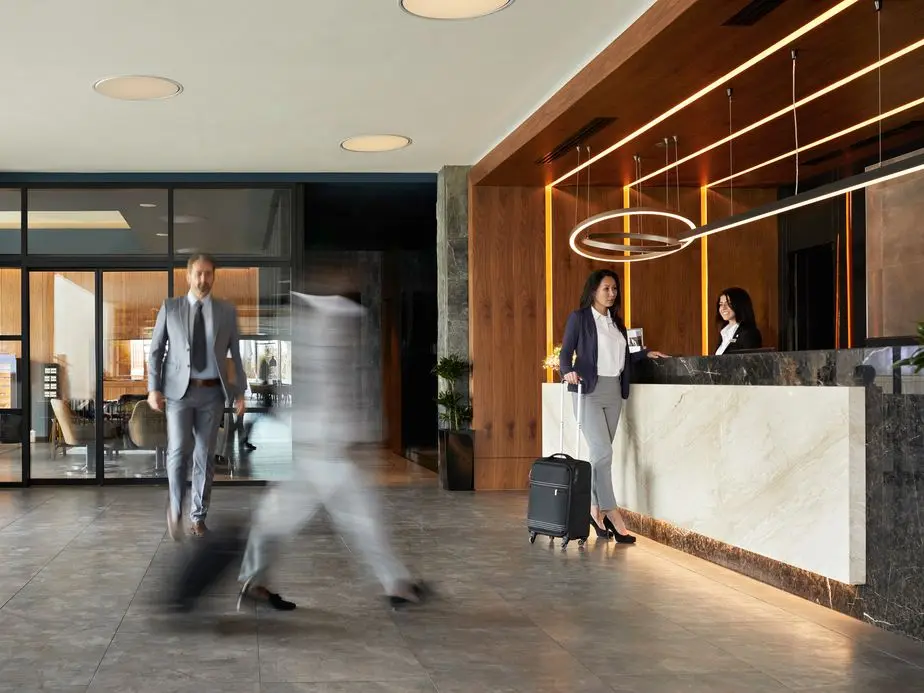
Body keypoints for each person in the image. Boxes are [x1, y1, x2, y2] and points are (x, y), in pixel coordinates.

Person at [236, 290, 427, 611]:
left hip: (319, 452)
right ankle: (397, 583)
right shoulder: (324, 328)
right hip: (320, 454)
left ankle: (397, 582)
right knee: (355, 519)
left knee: (284, 518)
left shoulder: (322, 329)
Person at [559, 269, 668, 544]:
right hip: (588, 391)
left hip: (614, 392)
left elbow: (622, 356)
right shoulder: (580, 318)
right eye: (606, 288)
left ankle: (594, 510)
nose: (611, 293)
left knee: (599, 457)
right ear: (593, 290)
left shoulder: (617, 324)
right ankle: (612, 512)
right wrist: (566, 371)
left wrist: (645, 354)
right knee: (603, 451)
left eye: (614, 289)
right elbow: (565, 351)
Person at [148, 253, 246, 540]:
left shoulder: (226, 311)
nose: (203, 280)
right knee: (178, 451)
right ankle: (176, 508)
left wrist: (239, 393)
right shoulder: (171, 308)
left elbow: (236, 356)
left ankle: (198, 516)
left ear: (213, 276)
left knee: (205, 456)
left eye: (208, 274)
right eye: (198, 274)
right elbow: (156, 351)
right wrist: (154, 388)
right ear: (188, 276)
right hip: (179, 394)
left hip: (213, 393)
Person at [715, 287, 762, 355]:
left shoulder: (748, 333)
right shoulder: (724, 332)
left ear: (739, 305)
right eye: (721, 304)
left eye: (728, 303)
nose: (723, 308)